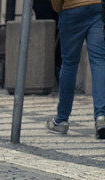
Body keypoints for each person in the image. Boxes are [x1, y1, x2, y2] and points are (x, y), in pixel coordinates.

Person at [46, 0, 105, 138]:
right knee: (99, 61)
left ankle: (61, 120)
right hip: (96, 7)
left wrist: (59, 8)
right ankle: (101, 116)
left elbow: (56, 4)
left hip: (71, 10)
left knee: (69, 64)